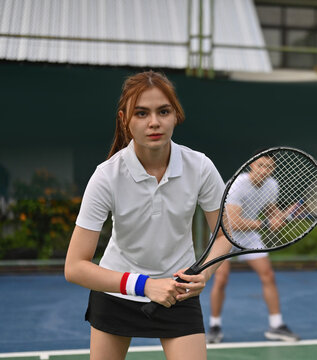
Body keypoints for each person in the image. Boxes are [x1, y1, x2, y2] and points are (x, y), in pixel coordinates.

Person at [64, 70, 231, 360]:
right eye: (141, 113)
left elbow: (225, 233)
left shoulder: (200, 167)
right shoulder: (106, 176)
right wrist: (144, 285)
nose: (154, 122)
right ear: (124, 119)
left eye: (163, 111)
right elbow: (74, 267)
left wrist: (203, 274)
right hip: (116, 294)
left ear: (176, 115)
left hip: (178, 295)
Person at [207, 154, 300, 343]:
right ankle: (214, 327)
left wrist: (280, 216)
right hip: (225, 233)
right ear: (252, 167)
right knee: (221, 278)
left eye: (269, 167)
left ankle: (276, 326)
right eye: (261, 166)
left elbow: (270, 210)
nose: (265, 170)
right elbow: (234, 222)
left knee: (268, 275)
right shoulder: (237, 184)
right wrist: (268, 223)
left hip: (250, 235)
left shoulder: (272, 185)